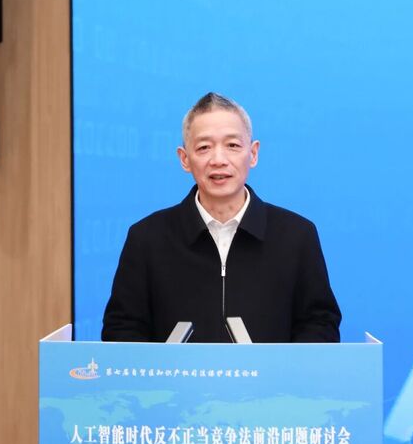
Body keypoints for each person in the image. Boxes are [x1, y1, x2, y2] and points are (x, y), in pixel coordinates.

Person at [101, 92, 340, 343]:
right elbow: (122, 329)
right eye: (204, 147)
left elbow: (320, 324)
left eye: (232, 145)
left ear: (253, 153)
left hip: (270, 372)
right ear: (185, 159)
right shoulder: (147, 238)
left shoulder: (296, 236)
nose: (218, 160)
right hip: (174, 372)